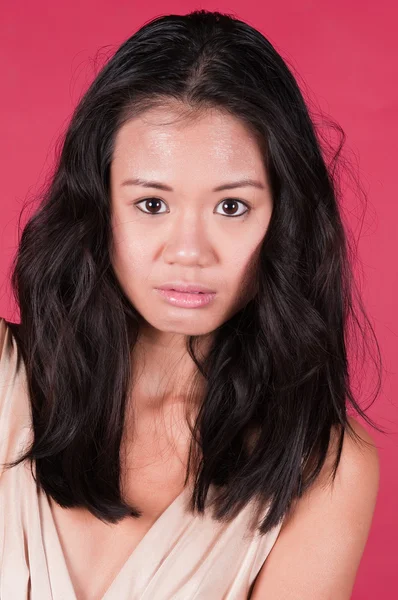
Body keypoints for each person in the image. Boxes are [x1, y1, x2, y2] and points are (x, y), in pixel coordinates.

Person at [0, 9, 383, 600]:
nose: (188, 252)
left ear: (285, 217)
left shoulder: (321, 469)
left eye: (231, 207)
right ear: (98, 205)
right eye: (152, 204)